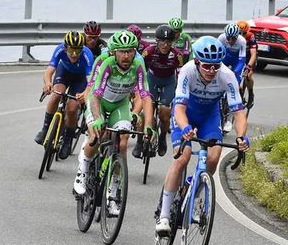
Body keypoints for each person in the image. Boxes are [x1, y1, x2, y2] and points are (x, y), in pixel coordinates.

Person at [155, 36, 249, 236]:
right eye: (207, 66)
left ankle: (195, 190)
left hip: (209, 116)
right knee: (182, 158)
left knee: (214, 157)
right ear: (197, 62)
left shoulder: (227, 76)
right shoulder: (187, 71)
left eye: (216, 66)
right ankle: (164, 216)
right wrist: (185, 127)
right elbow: (179, 108)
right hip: (185, 114)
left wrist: (241, 137)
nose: (212, 71)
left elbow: (239, 113)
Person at [73, 31, 154, 212]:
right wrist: (98, 119)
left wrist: (149, 126)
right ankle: (83, 169)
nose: (126, 56)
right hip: (99, 103)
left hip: (120, 105)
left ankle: (114, 191)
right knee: (96, 135)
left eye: (130, 51)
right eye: (122, 52)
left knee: (123, 142)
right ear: (114, 52)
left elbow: (145, 96)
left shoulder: (138, 66)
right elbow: (95, 95)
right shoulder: (107, 64)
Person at [37, 31, 94, 159]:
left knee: (72, 108)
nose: (74, 54)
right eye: (71, 50)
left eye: (77, 50)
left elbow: (90, 81)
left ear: (81, 49)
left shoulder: (87, 55)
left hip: (80, 79)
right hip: (64, 73)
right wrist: (48, 84)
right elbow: (49, 72)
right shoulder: (59, 50)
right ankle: (45, 130)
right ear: (65, 48)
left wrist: (85, 93)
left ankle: (67, 140)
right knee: (56, 95)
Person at [135, 24, 184, 158]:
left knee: (164, 112)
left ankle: (162, 137)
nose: (165, 45)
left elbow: (181, 74)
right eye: (162, 41)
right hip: (152, 79)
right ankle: (139, 142)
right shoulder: (148, 52)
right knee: (146, 111)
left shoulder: (177, 55)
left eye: (168, 42)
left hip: (169, 81)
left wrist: (180, 91)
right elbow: (140, 69)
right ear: (157, 41)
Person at [237, 20, 257, 110]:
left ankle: (251, 93)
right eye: (239, 33)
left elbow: (253, 54)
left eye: (244, 33)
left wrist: (248, 66)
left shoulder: (250, 36)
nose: (242, 35)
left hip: (249, 57)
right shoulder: (234, 37)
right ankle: (239, 92)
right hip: (238, 56)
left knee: (248, 75)